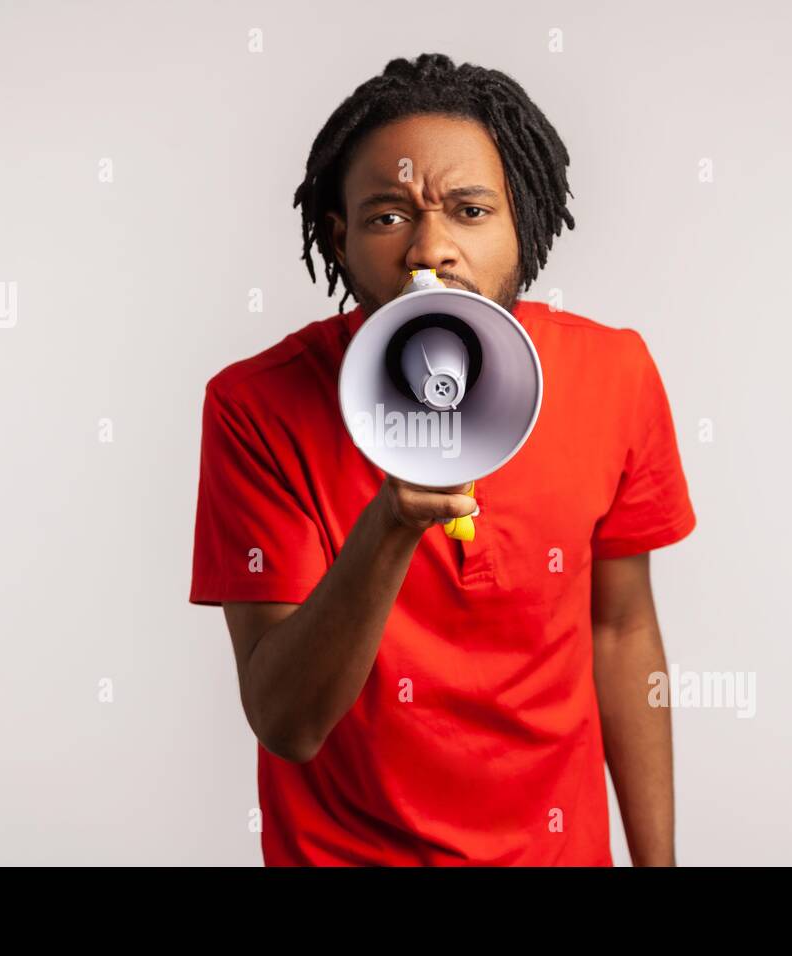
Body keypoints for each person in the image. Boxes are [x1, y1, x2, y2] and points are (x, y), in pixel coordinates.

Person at [190, 53, 697, 866]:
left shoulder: (615, 375)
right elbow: (288, 723)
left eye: (469, 210)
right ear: (339, 237)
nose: (432, 250)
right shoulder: (257, 407)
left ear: (521, 224)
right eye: (389, 216)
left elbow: (621, 629)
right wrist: (392, 522)